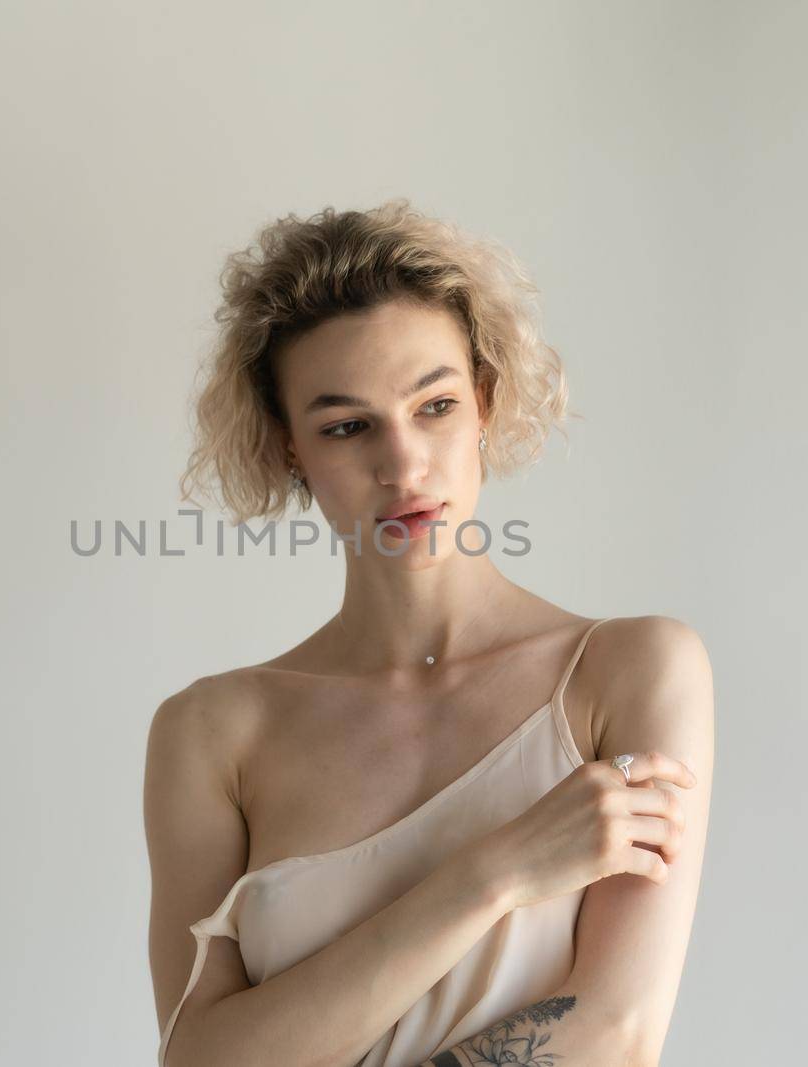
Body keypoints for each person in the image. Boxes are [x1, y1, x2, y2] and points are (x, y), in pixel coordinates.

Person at [146, 200, 714, 1067]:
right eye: (346, 426)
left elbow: (615, 1033)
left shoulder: (627, 672)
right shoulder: (212, 732)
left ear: (485, 403)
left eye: (436, 405)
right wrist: (496, 874)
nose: (404, 465)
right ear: (289, 447)